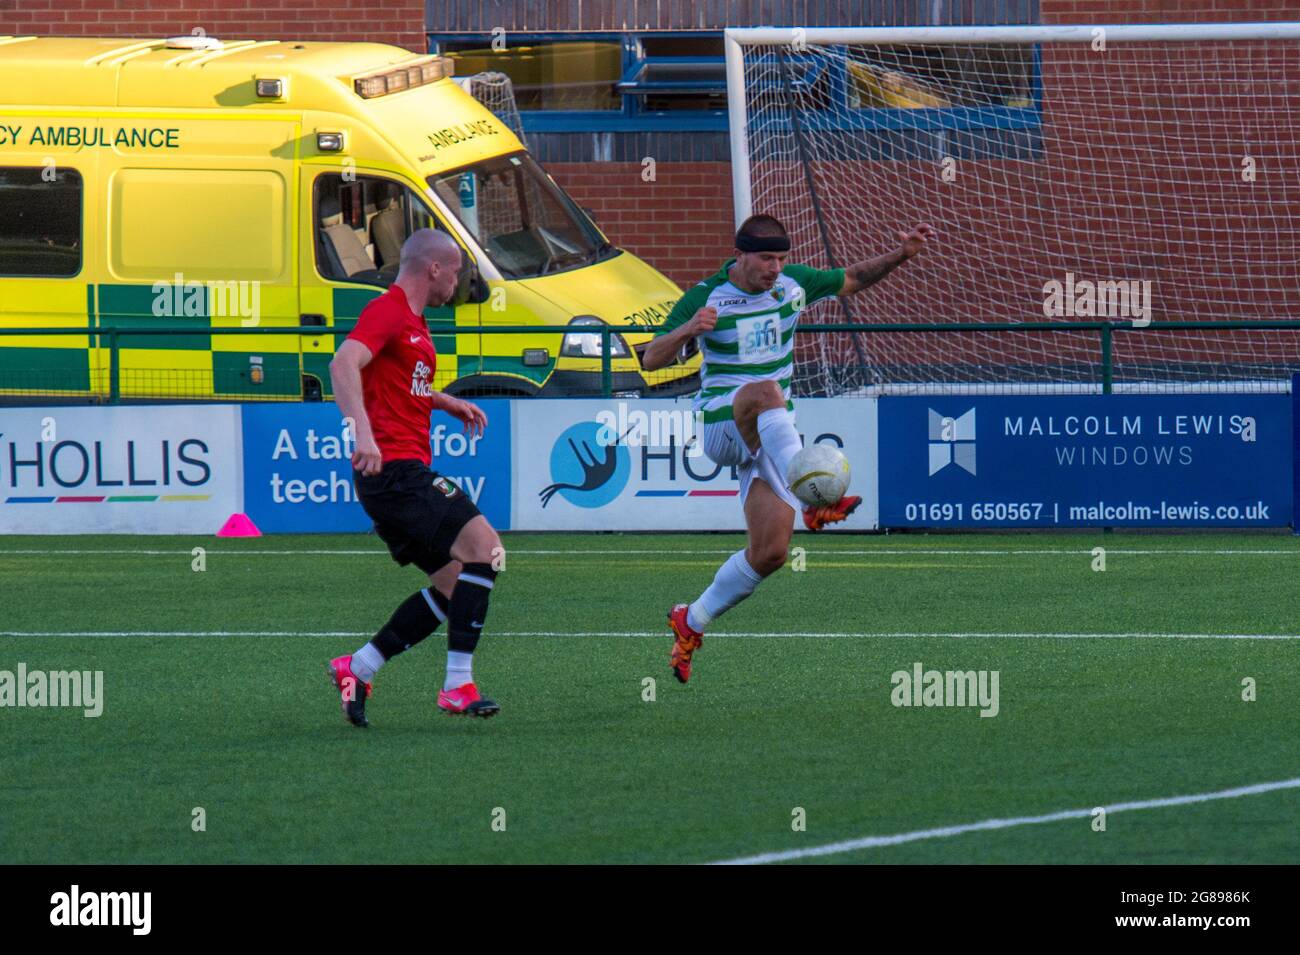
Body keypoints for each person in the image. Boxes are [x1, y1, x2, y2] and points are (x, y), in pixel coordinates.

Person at [641, 213, 935, 684]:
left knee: (771, 553)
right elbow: (650, 359)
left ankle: (691, 620)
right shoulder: (706, 297)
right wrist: (688, 330)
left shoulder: (793, 284)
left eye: (781, 258)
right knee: (767, 392)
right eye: (765, 259)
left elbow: (854, 279)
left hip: (770, 435)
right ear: (739, 255)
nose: (775, 268)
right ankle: (816, 501)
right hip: (723, 423)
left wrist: (902, 254)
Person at [326, 229, 502, 725]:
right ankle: (457, 686)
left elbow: (399, 382)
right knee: (486, 550)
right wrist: (361, 432)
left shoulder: (415, 323)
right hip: (393, 471)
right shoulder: (389, 311)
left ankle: (358, 666)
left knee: (452, 585)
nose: (460, 284)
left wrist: (444, 401)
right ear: (435, 269)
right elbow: (343, 365)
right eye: (458, 273)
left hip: (399, 472)